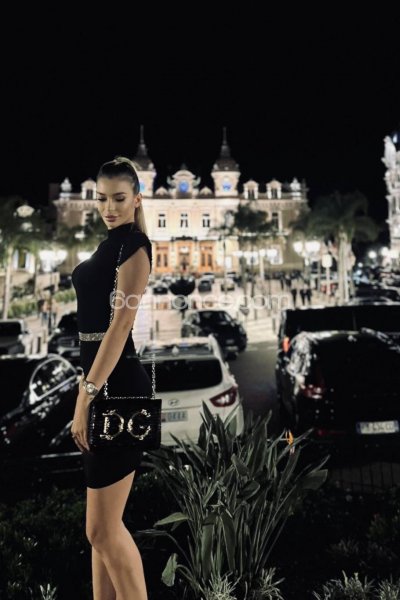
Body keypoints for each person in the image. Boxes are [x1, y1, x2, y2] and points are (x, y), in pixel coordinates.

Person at [71, 156, 152, 599]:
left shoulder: (135, 247)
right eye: (101, 198)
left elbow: (120, 327)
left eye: (119, 198)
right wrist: (84, 390)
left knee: (102, 530)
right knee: (98, 532)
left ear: (137, 198)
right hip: (100, 384)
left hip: (119, 393)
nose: (109, 207)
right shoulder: (110, 245)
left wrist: (87, 395)